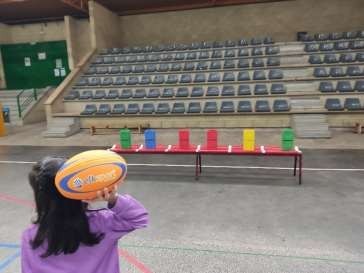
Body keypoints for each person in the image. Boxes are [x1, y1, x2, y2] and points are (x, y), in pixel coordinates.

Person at [21, 156, 149, 273]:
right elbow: (139, 217)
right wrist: (113, 199)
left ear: (40, 196)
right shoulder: (103, 224)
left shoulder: (32, 237)